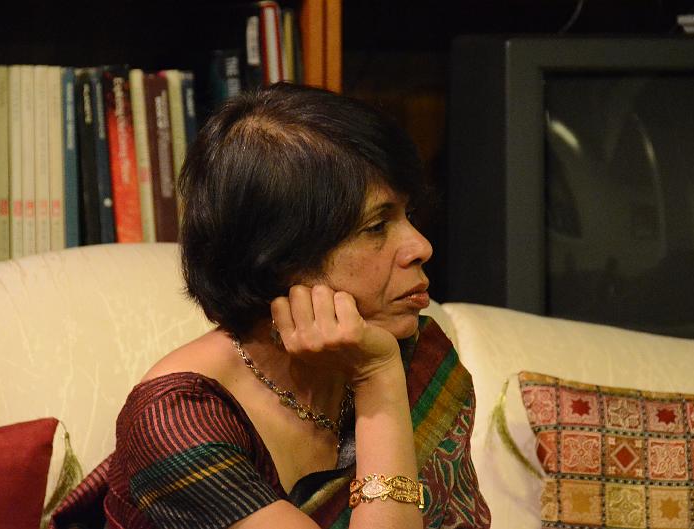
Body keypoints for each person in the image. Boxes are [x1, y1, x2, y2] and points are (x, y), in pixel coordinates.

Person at [51, 83, 490, 529]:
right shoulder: (176, 420)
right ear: (280, 260)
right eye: (377, 226)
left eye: (408, 215)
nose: (421, 246)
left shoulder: (413, 354)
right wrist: (377, 380)